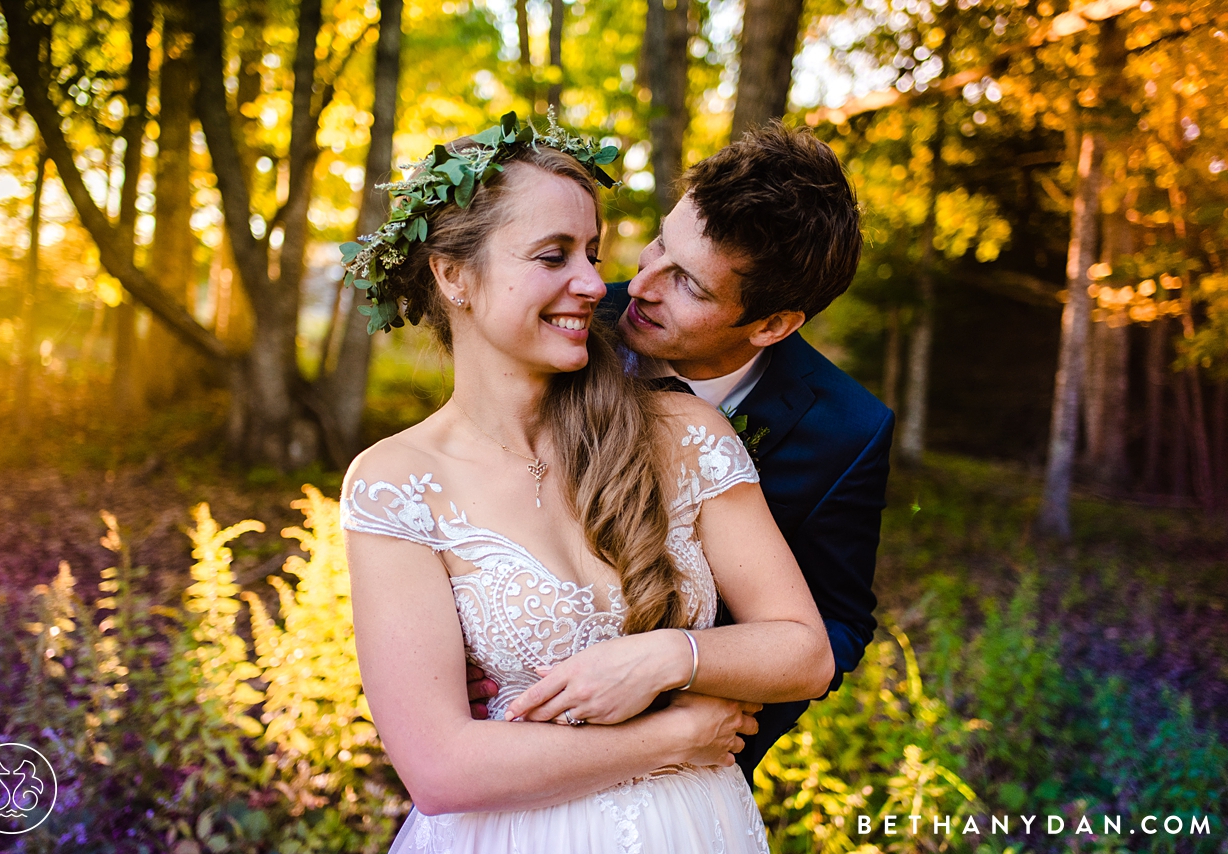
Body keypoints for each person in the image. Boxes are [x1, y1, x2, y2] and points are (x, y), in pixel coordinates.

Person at [339, 117, 834, 853]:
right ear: (452, 275)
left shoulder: (684, 434)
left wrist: (672, 656)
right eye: (552, 255)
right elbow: (439, 769)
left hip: (695, 829)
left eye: (593, 252)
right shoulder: (397, 483)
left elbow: (806, 651)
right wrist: (672, 735)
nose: (596, 282)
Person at [476, 122, 893, 778]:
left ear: (773, 325)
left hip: (692, 766)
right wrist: (475, 655)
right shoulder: (562, 328)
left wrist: (691, 690)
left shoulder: (847, 430)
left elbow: (836, 625)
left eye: (690, 286)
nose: (640, 286)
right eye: (658, 246)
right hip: (517, 746)